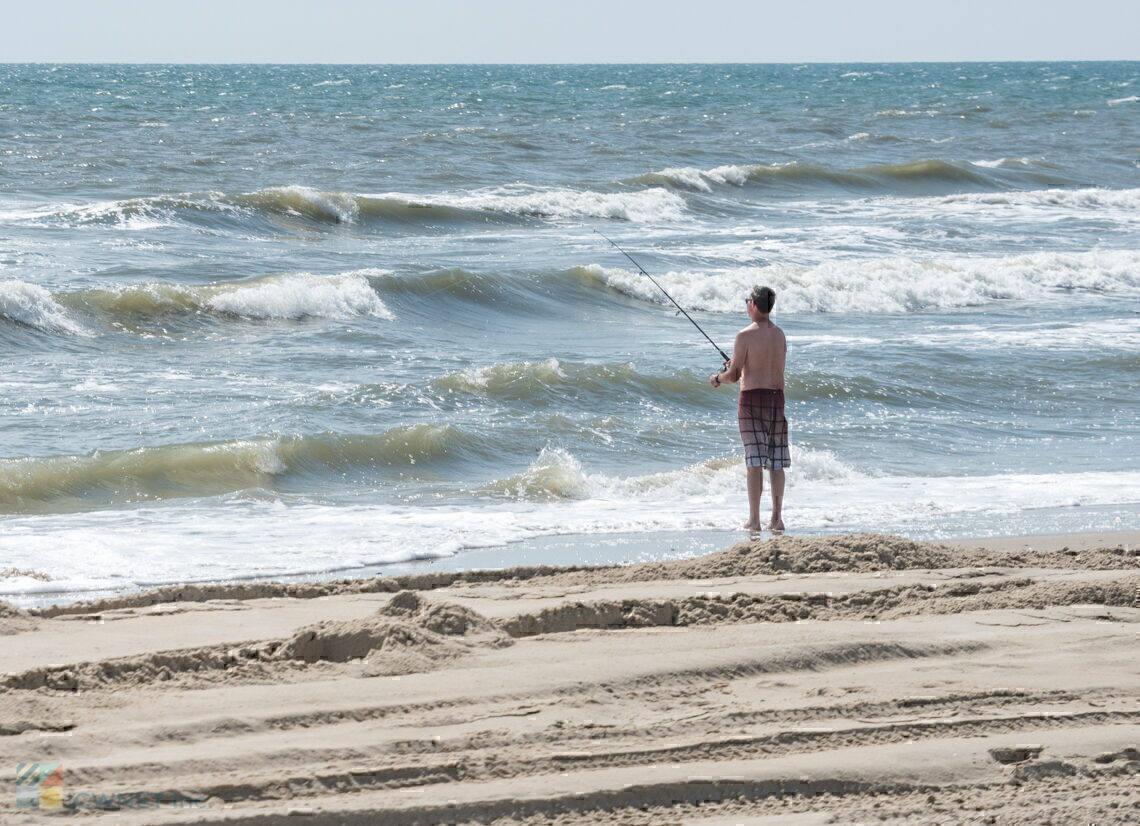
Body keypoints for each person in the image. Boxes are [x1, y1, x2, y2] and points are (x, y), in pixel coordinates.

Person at [709, 285, 790, 533]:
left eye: (747, 301)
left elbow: (733, 376)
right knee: (776, 461)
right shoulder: (779, 335)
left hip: (752, 400)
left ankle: (754, 520)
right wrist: (737, 365)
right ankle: (777, 518)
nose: (746, 305)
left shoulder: (744, 335)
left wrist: (716, 378)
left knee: (754, 461)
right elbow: (766, 364)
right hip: (777, 398)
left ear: (754, 304)